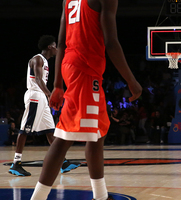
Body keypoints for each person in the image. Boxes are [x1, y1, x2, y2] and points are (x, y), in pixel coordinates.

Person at [30, 0, 142, 200]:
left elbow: (62, 43)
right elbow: (111, 42)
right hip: (85, 68)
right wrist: (131, 81)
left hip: (73, 66)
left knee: (97, 133)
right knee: (65, 136)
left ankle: (100, 195)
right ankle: (38, 197)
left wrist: (57, 85)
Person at [8, 35, 79, 177]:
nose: (57, 49)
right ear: (49, 47)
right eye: (55, 45)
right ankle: (16, 163)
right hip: (35, 95)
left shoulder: (45, 61)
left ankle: (62, 163)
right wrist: (49, 94)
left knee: (50, 130)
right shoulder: (37, 59)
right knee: (24, 129)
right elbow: (38, 79)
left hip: (41, 97)